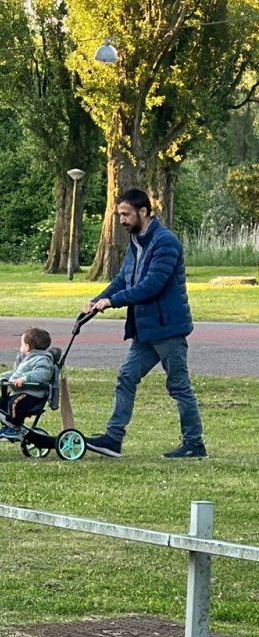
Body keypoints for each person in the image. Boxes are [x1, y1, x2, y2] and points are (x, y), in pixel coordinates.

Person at [83, 189, 205, 459]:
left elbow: (151, 286)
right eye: (119, 215)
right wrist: (97, 300)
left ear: (144, 212)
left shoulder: (165, 243)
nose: (122, 220)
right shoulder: (136, 242)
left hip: (168, 329)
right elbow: (124, 279)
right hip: (145, 330)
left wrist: (113, 302)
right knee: (126, 376)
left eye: (126, 214)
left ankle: (194, 444)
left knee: (178, 386)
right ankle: (113, 439)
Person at [0, 328, 56, 441]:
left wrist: (25, 378)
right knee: (0, 403)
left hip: (33, 394)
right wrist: (5, 377)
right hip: (20, 392)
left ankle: (16, 428)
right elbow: (16, 373)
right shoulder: (25, 358)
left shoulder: (42, 359)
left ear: (27, 346)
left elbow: (42, 374)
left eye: (21, 343)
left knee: (15, 403)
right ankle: (7, 425)